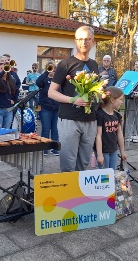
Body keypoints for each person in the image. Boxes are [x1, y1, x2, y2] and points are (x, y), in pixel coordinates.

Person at [48, 25, 99, 172]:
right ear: (75, 41)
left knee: (83, 163)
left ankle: (79, 193)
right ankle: (68, 193)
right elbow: (51, 92)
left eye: (87, 39)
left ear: (93, 41)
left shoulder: (94, 64)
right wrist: (73, 100)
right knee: (68, 163)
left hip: (90, 120)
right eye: (80, 39)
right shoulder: (66, 64)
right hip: (69, 120)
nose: (84, 42)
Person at [95, 86, 127, 170]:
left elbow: (119, 134)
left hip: (113, 149)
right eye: (120, 99)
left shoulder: (117, 115)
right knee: (105, 175)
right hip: (103, 151)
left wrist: (122, 151)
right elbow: (98, 135)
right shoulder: (100, 115)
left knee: (112, 172)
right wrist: (99, 154)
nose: (122, 102)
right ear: (112, 100)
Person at [36, 61, 59, 156]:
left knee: (55, 129)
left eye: (53, 68)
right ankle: (45, 148)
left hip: (56, 108)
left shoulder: (57, 80)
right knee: (46, 129)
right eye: (50, 68)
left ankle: (54, 148)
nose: (52, 70)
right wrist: (46, 72)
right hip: (46, 108)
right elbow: (38, 82)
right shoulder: (44, 79)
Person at [0, 63, 17, 129]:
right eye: (1, 68)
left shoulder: (11, 80)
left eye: (4, 68)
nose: (3, 70)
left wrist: (14, 100)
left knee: (6, 130)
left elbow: (16, 91)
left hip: (8, 110)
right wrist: (2, 72)